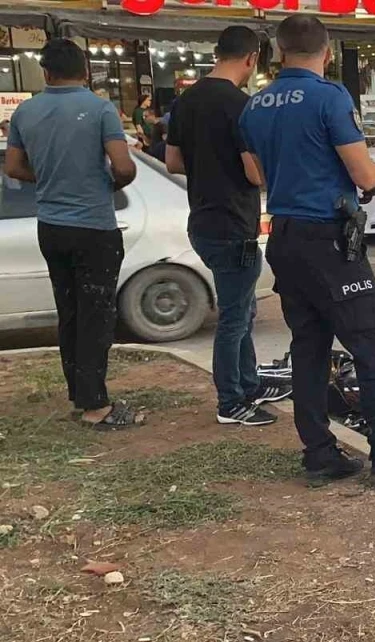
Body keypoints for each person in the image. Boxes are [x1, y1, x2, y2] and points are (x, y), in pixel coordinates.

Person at [239, 15, 375, 487]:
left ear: (279, 52)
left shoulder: (254, 106)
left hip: (284, 236)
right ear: (327, 53)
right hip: (328, 239)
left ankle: (319, 453)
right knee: (374, 345)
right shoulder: (329, 97)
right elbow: (366, 175)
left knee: (308, 347)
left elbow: (256, 175)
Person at [3, 38, 142, 429]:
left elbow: (13, 168)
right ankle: (96, 406)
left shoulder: (26, 112)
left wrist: (49, 179)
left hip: (51, 227)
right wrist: (106, 185)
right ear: (85, 71)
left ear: (46, 73)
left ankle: (80, 394)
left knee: (70, 313)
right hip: (93, 227)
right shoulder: (100, 109)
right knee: (96, 315)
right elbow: (124, 167)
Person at [167, 25, 290, 427]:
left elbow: (173, 162)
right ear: (252, 58)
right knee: (235, 317)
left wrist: (208, 168)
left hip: (203, 220)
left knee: (244, 309)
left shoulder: (185, 100)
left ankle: (249, 383)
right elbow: (253, 172)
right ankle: (231, 401)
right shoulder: (241, 105)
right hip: (234, 222)